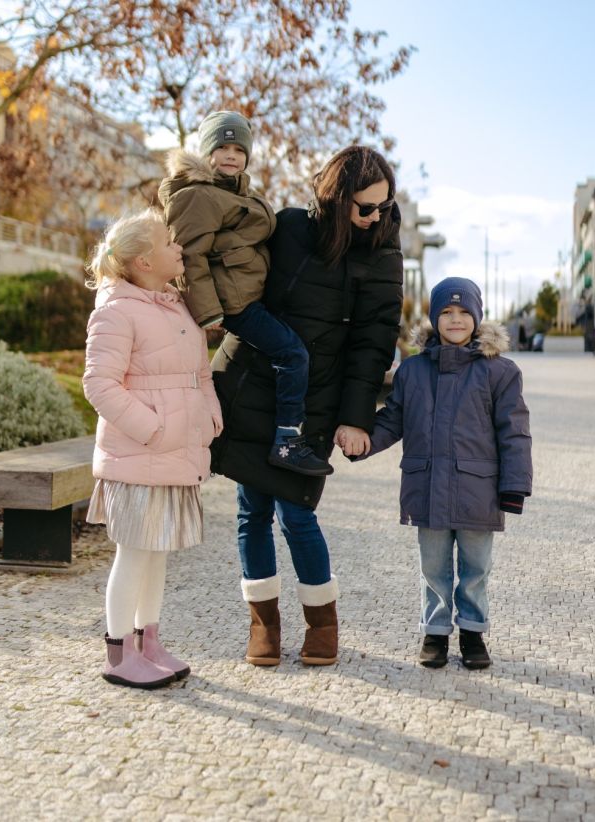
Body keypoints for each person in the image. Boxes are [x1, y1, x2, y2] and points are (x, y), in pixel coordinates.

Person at [209, 145, 404, 667]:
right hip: (255, 387)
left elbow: (374, 342)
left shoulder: (384, 254)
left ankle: (322, 625)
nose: (375, 218)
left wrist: (356, 416)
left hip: (318, 400)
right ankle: (263, 625)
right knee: (252, 512)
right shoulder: (290, 227)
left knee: (298, 513)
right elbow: (235, 267)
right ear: (336, 200)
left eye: (384, 207)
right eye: (365, 208)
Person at [357, 277, 532, 670]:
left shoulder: (499, 372)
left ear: (477, 318)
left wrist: (514, 487)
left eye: (463, 312)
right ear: (434, 319)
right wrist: (365, 440)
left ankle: (472, 633)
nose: (455, 320)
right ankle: (435, 633)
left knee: (475, 569)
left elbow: (514, 431)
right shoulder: (413, 372)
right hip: (427, 486)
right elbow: (394, 419)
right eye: (446, 313)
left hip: (478, 490)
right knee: (433, 567)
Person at [83, 209, 223, 689]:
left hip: (174, 451)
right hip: (141, 453)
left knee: (157, 552)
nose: (178, 247)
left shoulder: (175, 304)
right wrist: (152, 429)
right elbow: (99, 384)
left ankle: (150, 641)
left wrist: (209, 415)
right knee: (135, 552)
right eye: (169, 241)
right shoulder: (116, 311)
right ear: (144, 260)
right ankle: (119, 654)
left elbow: (198, 372)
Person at [158, 110, 330, 477]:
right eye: (223, 147)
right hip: (234, 303)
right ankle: (287, 441)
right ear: (207, 153)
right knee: (292, 353)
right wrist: (208, 313)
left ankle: (226, 433)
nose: (232, 155)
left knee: (274, 357)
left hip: (250, 295)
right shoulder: (198, 196)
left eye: (239, 148)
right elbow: (188, 255)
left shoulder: (236, 193)